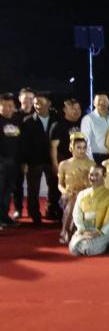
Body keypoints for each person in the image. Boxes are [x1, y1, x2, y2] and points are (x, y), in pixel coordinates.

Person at [21, 93, 60, 223]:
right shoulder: (27, 121)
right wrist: (24, 162)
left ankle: (52, 210)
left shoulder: (56, 119)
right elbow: (24, 144)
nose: (38, 106)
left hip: (51, 159)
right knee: (33, 188)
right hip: (34, 160)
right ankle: (34, 213)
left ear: (49, 103)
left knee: (54, 186)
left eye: (41, 103)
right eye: (36, 103)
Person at [68, 165, 109, 256]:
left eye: (97, 175)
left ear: (104, 176)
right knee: (74, 248)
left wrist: (99, 232)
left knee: (87, 248)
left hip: (103, 230)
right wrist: (82, 229)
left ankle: (106, 243)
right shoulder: (82, 194)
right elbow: (77, 214)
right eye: (91, 174)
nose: (93, 178)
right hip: (85, 228)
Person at [56, 133, 93, 243]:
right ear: (71, 147)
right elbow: (59, 184)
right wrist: (65, 192)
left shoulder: (91, 164)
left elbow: (94, 184)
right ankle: (67, 231)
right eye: (79, 147)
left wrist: (86, 185)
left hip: (85, 195)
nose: (82, 150)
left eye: (84, 148)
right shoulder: (64, 164)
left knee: (76, 200)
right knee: (73, 200)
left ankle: (67, 231)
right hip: (68, 195)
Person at [11, 87, 35, 218]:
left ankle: (33, 210)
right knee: (17, 185)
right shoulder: (14, 116)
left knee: (33, 186)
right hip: (18, 156)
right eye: (26, 98)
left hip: (35, 157)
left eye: (31, 98)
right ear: (20, 99)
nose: (29, 101)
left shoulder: (37, 115)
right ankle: (18, 209)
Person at [0, 93, 22, 227]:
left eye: (11, 106)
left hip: (13, 161)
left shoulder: (16, 120)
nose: (9, 108)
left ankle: (4, 217)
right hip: (1, 162)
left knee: (8, 191)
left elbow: (20, 142)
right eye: (5, 105)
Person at [80, 92, 109, 164]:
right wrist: (91, 161)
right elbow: (85, 140)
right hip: (96, 157)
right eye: (99, 100)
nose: (102, 103)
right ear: (94, 103)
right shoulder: (88, 118)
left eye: (104, 100)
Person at [49, 98, 84, 171]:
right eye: (73, 108)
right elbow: (53, 146)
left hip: (81, 161)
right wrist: (55, 164)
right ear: (65, 110)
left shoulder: (83, 123)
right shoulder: (58, 125)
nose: (76, 111)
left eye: (78, 108)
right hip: (64, 161)